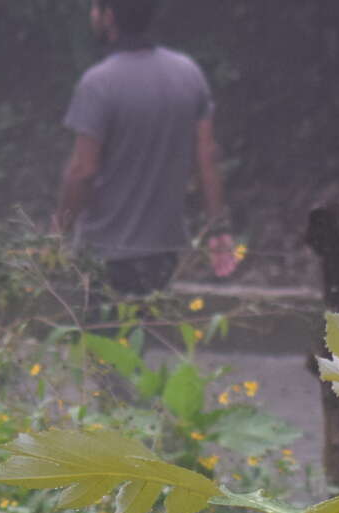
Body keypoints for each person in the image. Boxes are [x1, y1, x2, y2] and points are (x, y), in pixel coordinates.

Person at [53, 0, 232, 304]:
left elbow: (83, 170)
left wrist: (58, 233)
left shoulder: (99, 83)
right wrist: (218, 228)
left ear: (109, 17)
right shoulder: (188, 74)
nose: (92, 14)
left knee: (102, 344)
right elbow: (206, 159)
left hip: (105, 252)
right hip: (163, 250)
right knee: (141, 342)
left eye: (96, 8)